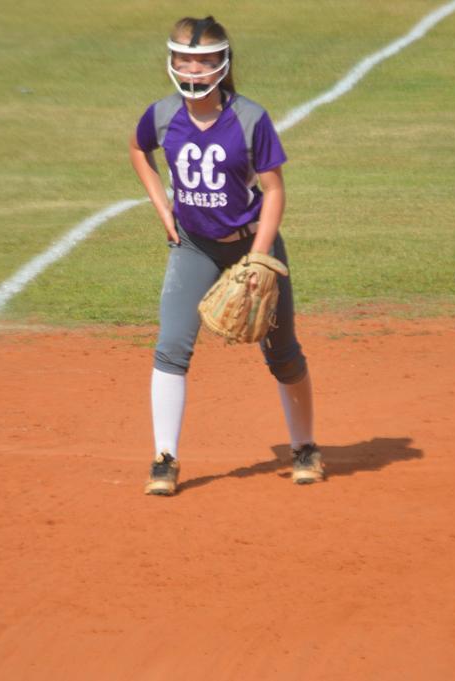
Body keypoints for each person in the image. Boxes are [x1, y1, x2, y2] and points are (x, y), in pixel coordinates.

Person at [128, 16, 323, 496]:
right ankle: (164, 458)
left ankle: (304, 448)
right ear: (171, 61)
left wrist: (259, 260)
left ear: (222, 63)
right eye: (184, 58)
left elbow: (274, 191)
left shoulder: (250, 118)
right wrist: (162, 208)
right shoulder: (161, 115)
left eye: (205, 59)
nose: (193, 68)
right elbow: (137, 149)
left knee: (282, 354)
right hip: (193, 246)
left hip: (251, 245)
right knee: (171, 347)